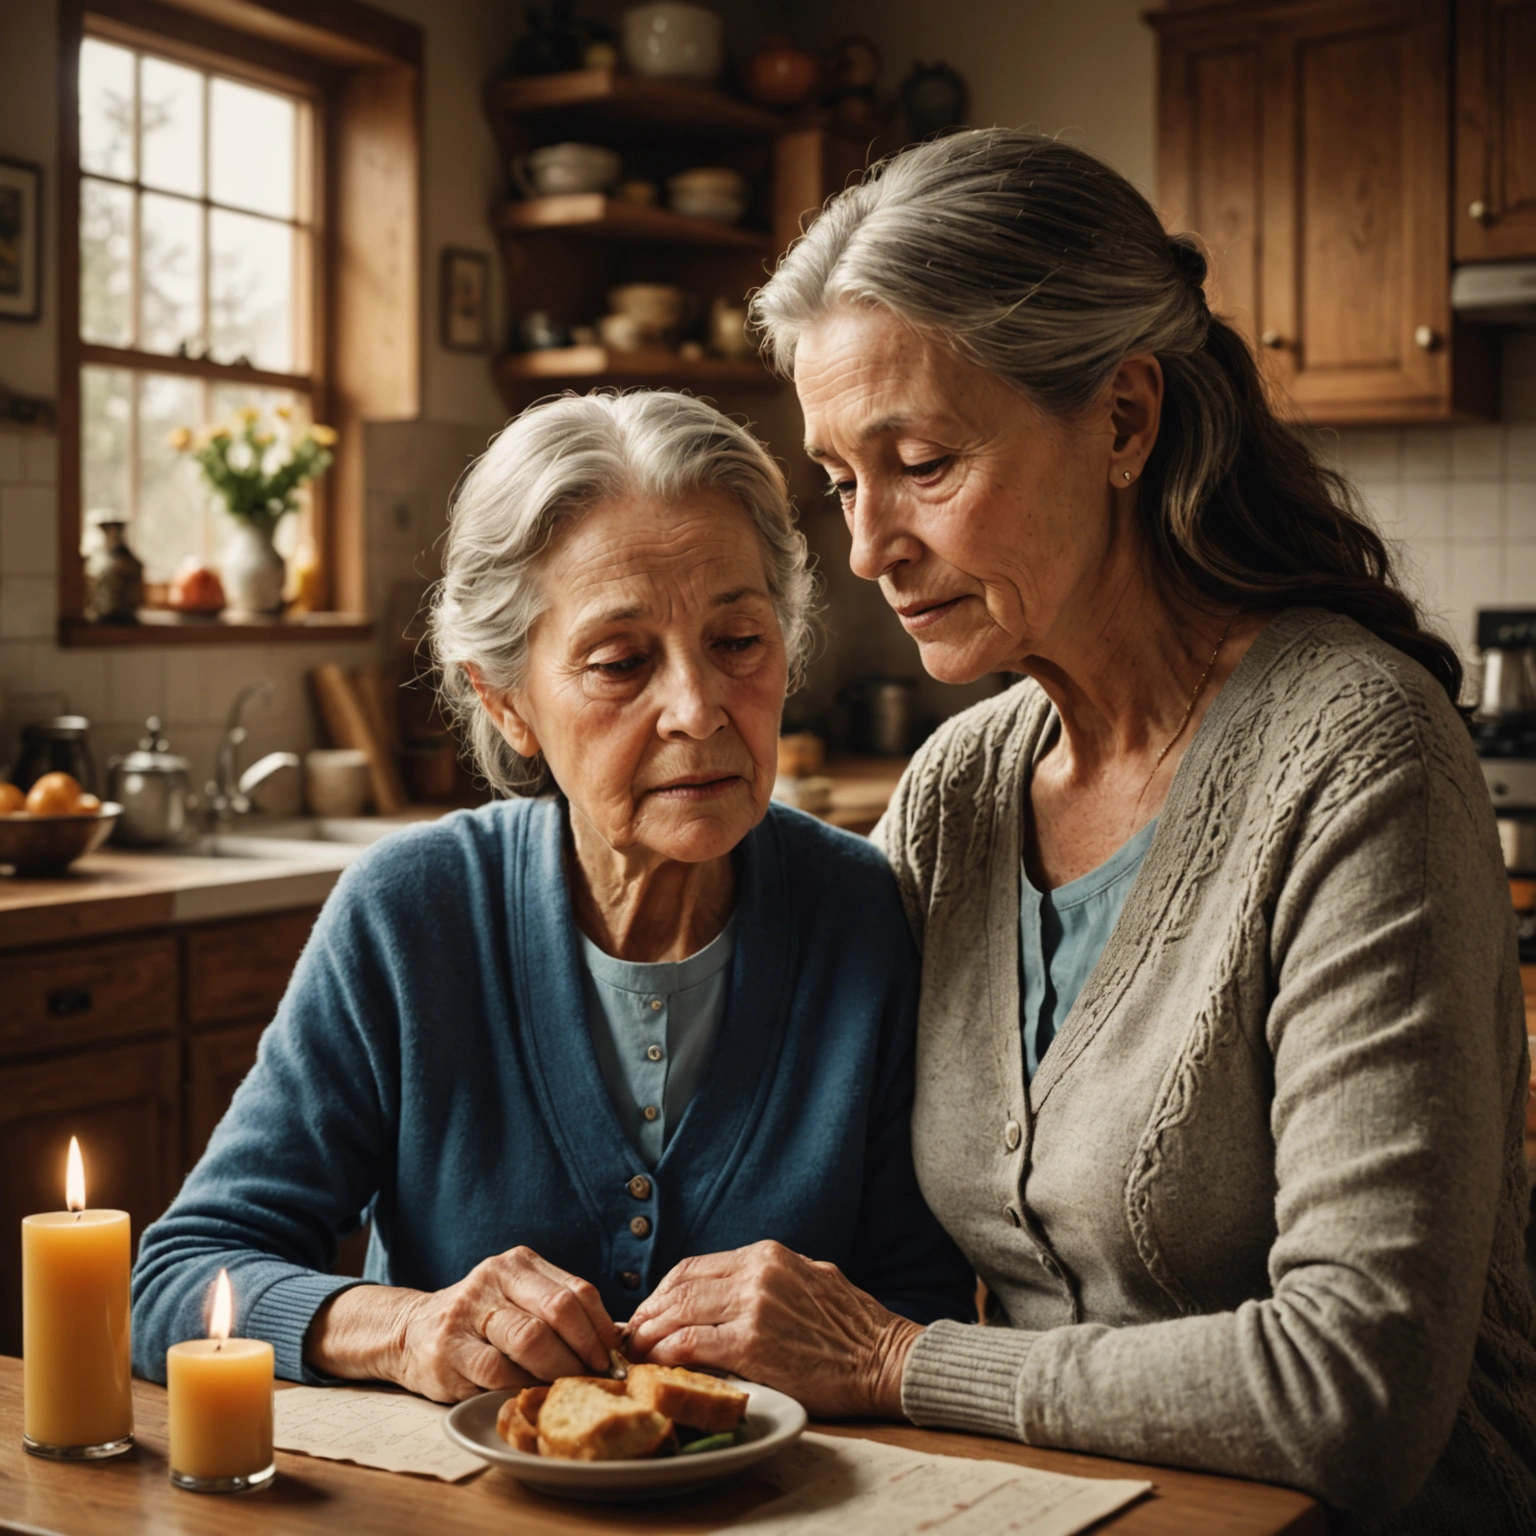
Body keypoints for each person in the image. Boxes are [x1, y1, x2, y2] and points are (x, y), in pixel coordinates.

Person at [622, 131, 1536, 1529]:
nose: (868, 548)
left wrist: (897, 1362)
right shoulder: (962, 789)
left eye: (922, 462)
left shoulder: (1361, 757)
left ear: (1123, 420)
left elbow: (1357, 1384)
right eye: (841, 481)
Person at [131, 390, 973, 1400]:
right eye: (622, 662)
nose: (699, 710)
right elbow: (179, 1279)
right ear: (506, 702)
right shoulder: (412, 915)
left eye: (739, 642)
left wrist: (848, 1341)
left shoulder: (862, 917)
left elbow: (920, 1316)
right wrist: (405, 1329)